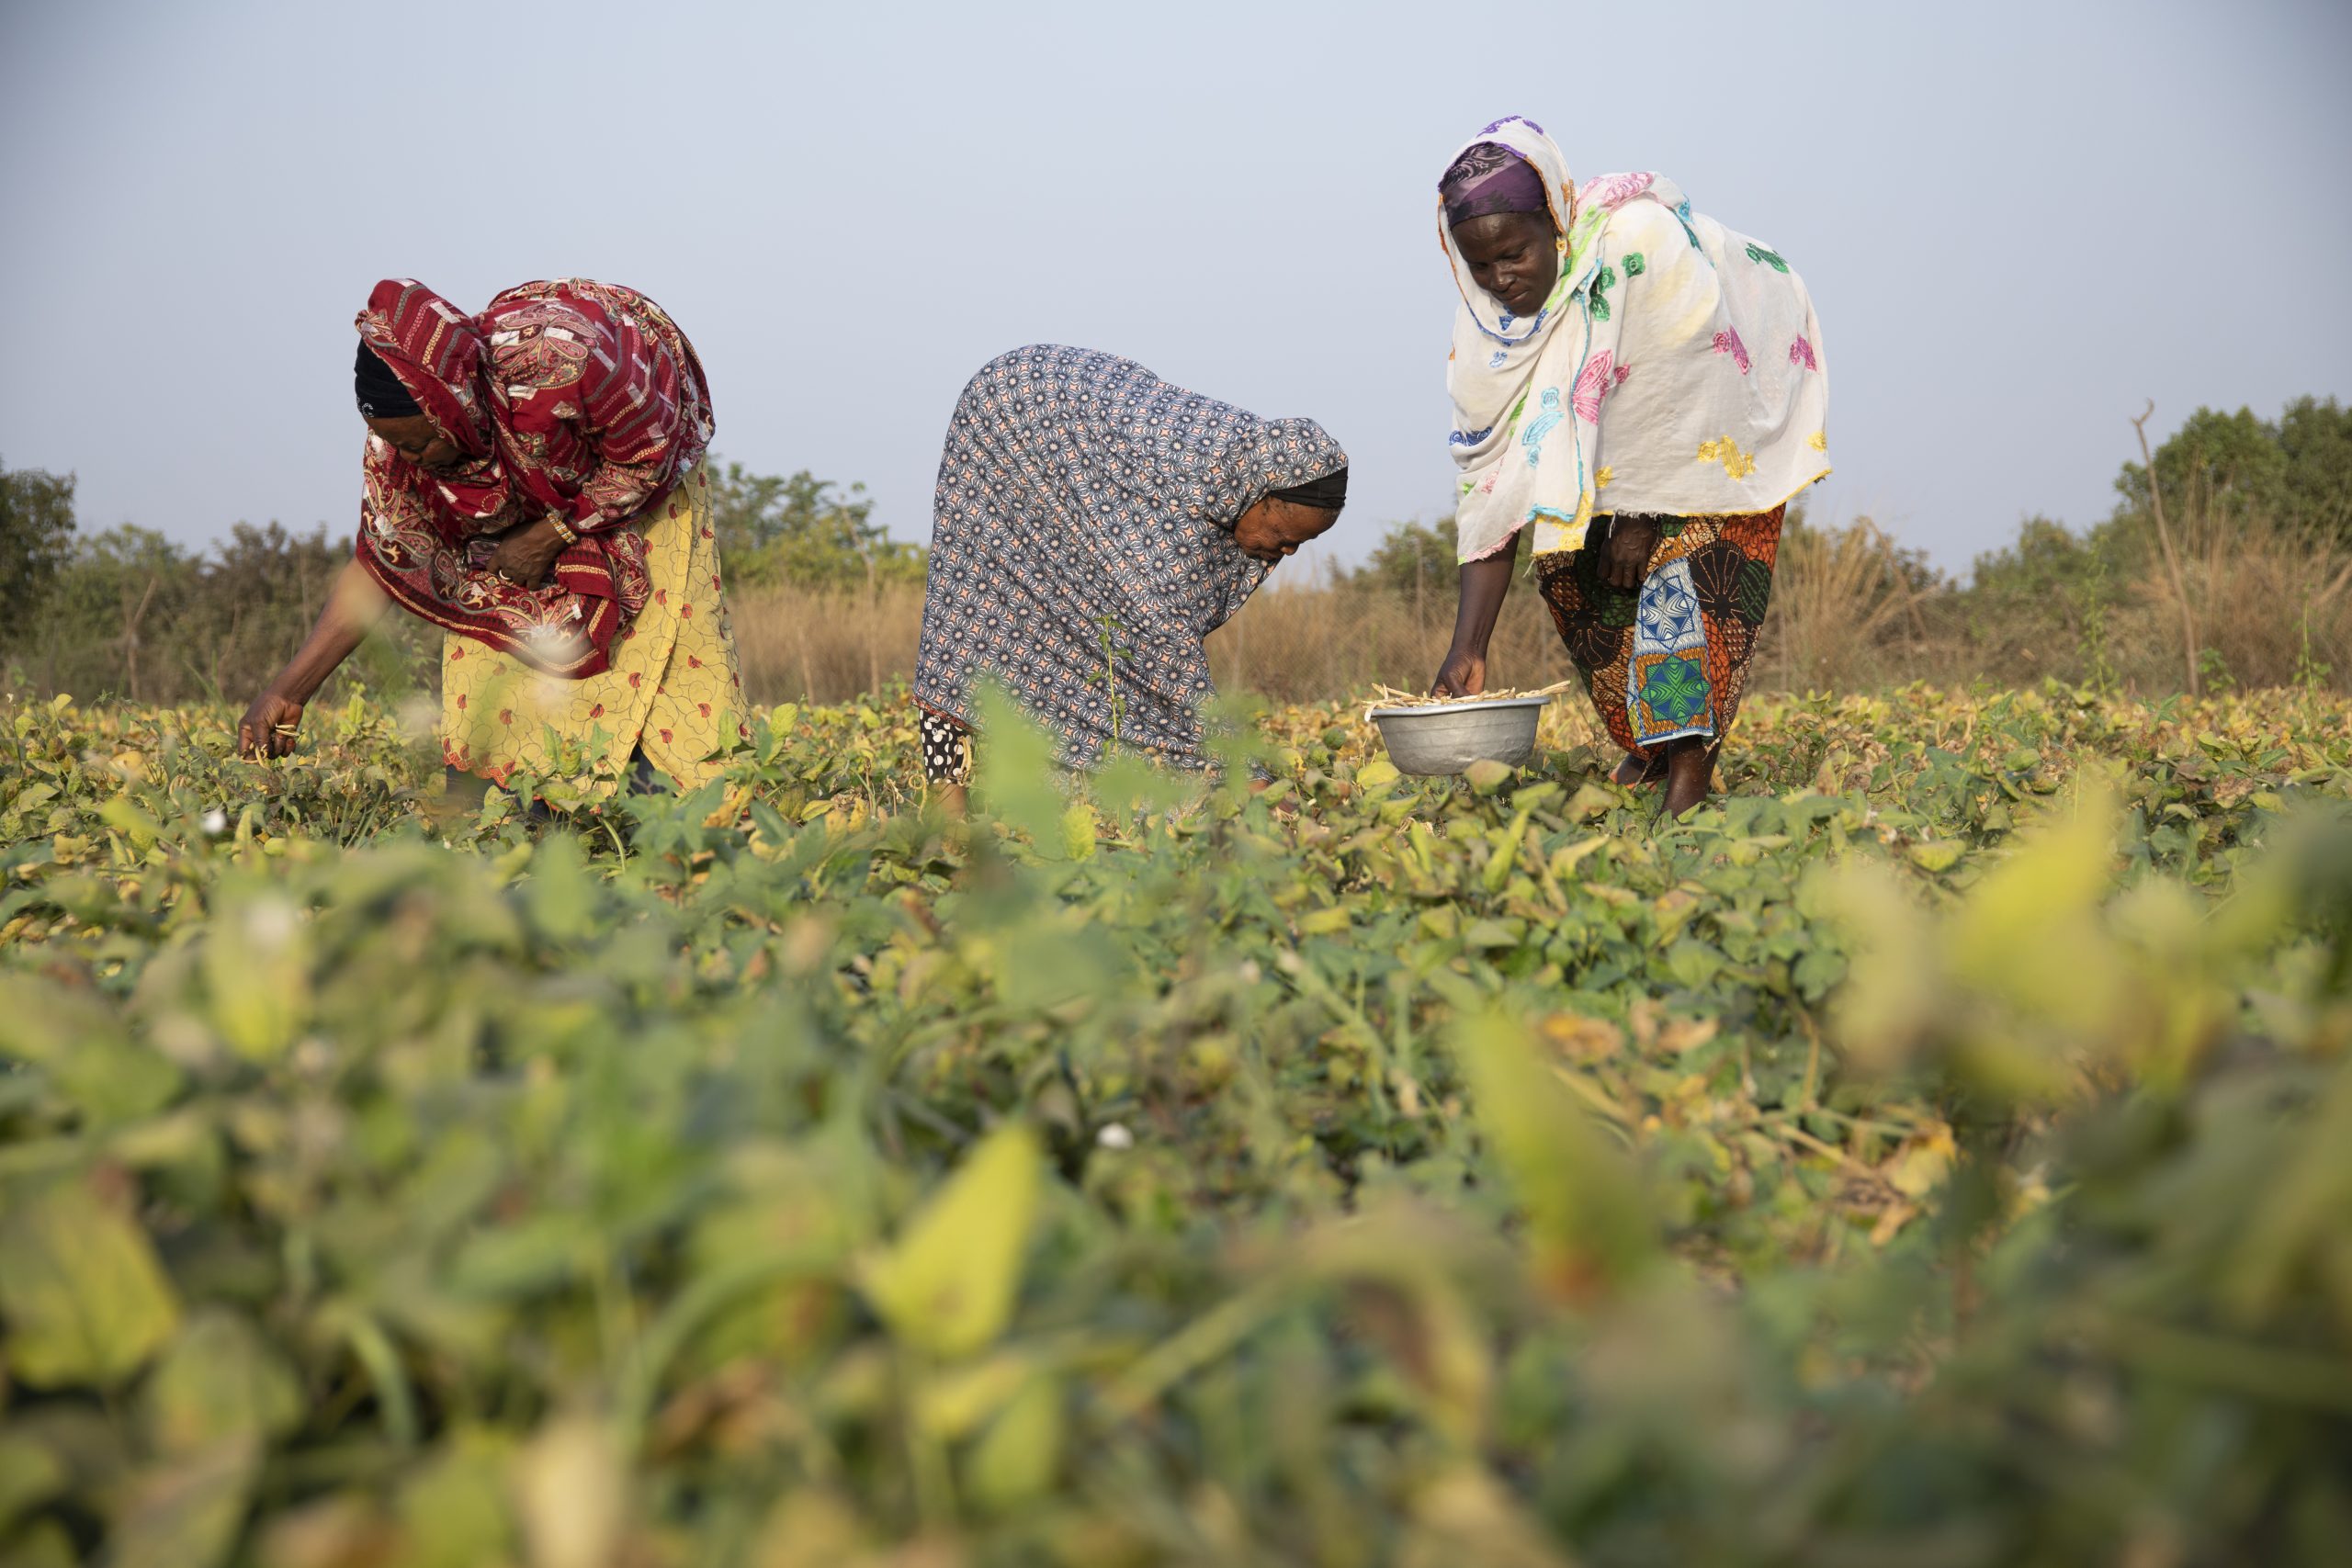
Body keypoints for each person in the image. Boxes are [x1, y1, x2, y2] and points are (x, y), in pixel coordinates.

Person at [1427, 118, 1830, 817]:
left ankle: (1687, 778)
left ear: (1554, 220)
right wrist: (1469, 648)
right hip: (1617, 447)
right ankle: (1653, 745)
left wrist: (1642, 514)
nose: (1499, 278)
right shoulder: (1485, 332)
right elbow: (1491, 487)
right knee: (1565, 559)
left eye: (1514, 254)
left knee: (1682, 584)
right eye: (1480, 265)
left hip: (1723, 415)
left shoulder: (1637, 243)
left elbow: (1682, 385)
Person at [239, 278, 745, 795]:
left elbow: (646, 455)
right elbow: (388, 557)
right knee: (486, 627)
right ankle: (511, 800)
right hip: (531, 489)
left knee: (660, 636)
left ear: (452, 406)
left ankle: (670, 802)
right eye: (398, 445)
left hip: (643, 467)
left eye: (422, 444)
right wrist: (290, 688)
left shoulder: (566, 359)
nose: (412, 459)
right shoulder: (401, 443)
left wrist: (551, 534)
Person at [913, 344, 1348, 795]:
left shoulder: (1235, 471)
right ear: (1257, 493)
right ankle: (948, 805)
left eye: (1301, 543)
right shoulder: (1175, 491)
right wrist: (1244, 778)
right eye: (1284, 535)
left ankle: (1048, 786)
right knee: (968, 617)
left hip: (1068, 425)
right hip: (1013, 417)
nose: (1289, 551)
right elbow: (1166, 648)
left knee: (1072, 630)